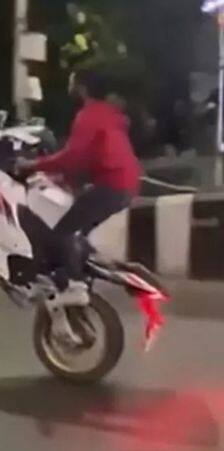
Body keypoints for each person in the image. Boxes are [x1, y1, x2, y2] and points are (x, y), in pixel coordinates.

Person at [15, 65, 141, 310]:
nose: (69, 85)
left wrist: (32, 165)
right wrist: (67, 180)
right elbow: (92, 157)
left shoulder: (88, 115)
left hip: (112, 185)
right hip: (126, 183)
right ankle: (99, 269)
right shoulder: (108, 113)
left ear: (82, 87)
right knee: (78, 229)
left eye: (73, 81)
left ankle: (75, 286)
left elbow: (73, 156)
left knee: (62, 232)